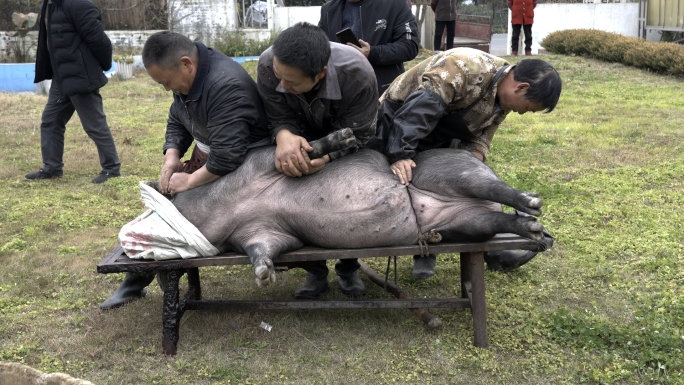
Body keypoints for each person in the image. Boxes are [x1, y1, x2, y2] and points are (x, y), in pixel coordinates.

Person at [99, 31, 270, 310]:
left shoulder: (225, 85)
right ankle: (137, 279)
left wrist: (190, 181)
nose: (167, 89)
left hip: (250, 167)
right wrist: (171, 156)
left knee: (178, 209)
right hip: (219, 159)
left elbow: (228, 157)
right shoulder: (189, 81)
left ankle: (141, 277)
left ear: (186, 64)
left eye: (166, 82)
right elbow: (177, 117)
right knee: (168, 199)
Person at [375, 47, 561, 278]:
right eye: (527, 108)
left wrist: (472, 167)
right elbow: (418, 110)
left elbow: (482, 135)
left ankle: (448, 252)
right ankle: (350, 265)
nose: (522, 113)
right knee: (386, 187)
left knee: (455, 189)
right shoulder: (463, 66)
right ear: (521, 87)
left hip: (441, 131)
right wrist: (400, 154)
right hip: (396, 123)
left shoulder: (503, 94)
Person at [257, 22, 379, 299]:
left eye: (293, 83)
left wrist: (327, 155)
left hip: (344, 136)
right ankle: (314, 270)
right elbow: (275, 115)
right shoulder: (268, 65)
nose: (282, 86)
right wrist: (284, 137)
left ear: (321, 73)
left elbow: (361, 132)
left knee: (349, 199)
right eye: (279, 77)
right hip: (297, 131)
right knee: (294, 199)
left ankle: (348, 267)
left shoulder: (358, 74)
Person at [27, 0, 121, 184]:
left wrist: (100, 66)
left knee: (94, 124)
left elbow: (99, 40)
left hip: (80, 75)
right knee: (51, 121)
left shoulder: (79, 5)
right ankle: (51, 168)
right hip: (61, 77)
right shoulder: (48, 5)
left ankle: (111, 169)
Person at [318, 0, 419, 95]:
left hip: (382, 92)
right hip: (341, 95)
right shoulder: (328, 10)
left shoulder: (394, 4)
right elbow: (319, 47)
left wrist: (372, 53)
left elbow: (409, 46)